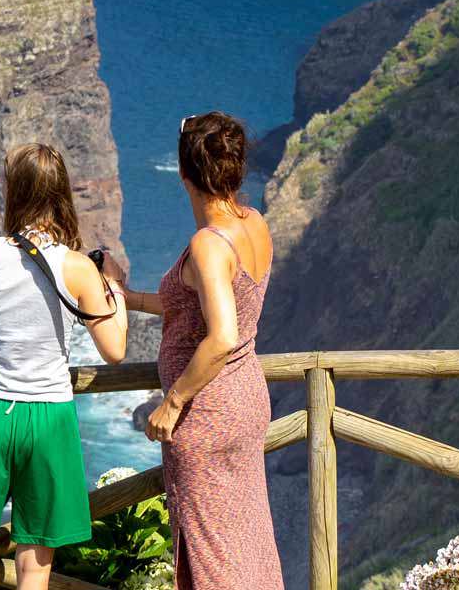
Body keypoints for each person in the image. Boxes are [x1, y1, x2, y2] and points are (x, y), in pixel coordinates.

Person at [0, 143, 129, 590]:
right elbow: (114, 350)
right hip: (48, 415)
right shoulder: (76, 267)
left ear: (13, 193)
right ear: (62, 194)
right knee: (36, 565)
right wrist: (113, 285)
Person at [123, 111, 282, 589]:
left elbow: (221, 336)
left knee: (210, 555)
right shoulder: (253, 222)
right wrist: (126, 297)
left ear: (184, 175)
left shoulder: (209, 245)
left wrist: (171, 403)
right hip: (246, 401)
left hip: (208, 414)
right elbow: (194, 307)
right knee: (247, 544)